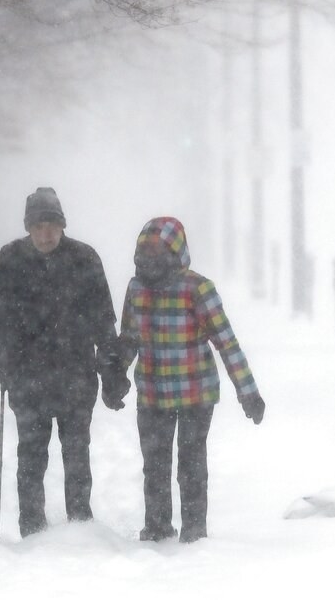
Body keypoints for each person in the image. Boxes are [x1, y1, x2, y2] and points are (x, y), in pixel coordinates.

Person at [0, 187, 127, 538]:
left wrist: (111, 371)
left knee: (77, 454)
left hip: (76, 375)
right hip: (28, 377)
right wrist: (0, 356)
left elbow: (103, 321)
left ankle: (80, 526)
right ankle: (32, 529)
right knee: (31, 457)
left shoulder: (84, 259)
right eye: (38, 226)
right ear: (28, 228)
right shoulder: (11, 258)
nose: (46, 234)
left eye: (52, 226)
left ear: (62, 226)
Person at [116, 217, 265, 544]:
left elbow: (226, 342)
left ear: (175, 252)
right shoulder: (136, 288)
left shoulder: (197, 288)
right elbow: (129, 337)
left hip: (196, 393)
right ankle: (157, 528)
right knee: (154, 464)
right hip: (152, 393)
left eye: (158, 251)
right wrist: (117, 374)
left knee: (191, 462)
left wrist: (248, 392)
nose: (150, 257)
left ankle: (194, 531)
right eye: (146, 251)